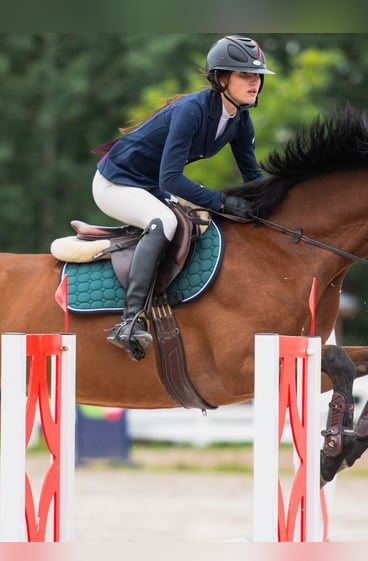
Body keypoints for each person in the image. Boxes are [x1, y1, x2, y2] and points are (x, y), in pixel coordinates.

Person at [92, 35, 274, 360]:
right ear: (222, 78)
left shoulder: (240, 121)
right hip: (115, 183)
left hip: (150, 187)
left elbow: (253, 180)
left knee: (194, 225)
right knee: (163, 222)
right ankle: (129, 321)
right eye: (245, 74)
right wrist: (221, 201)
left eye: (257, 76)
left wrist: (276, 211)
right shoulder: (192, 111)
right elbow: (172, 178)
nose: (255, 82)